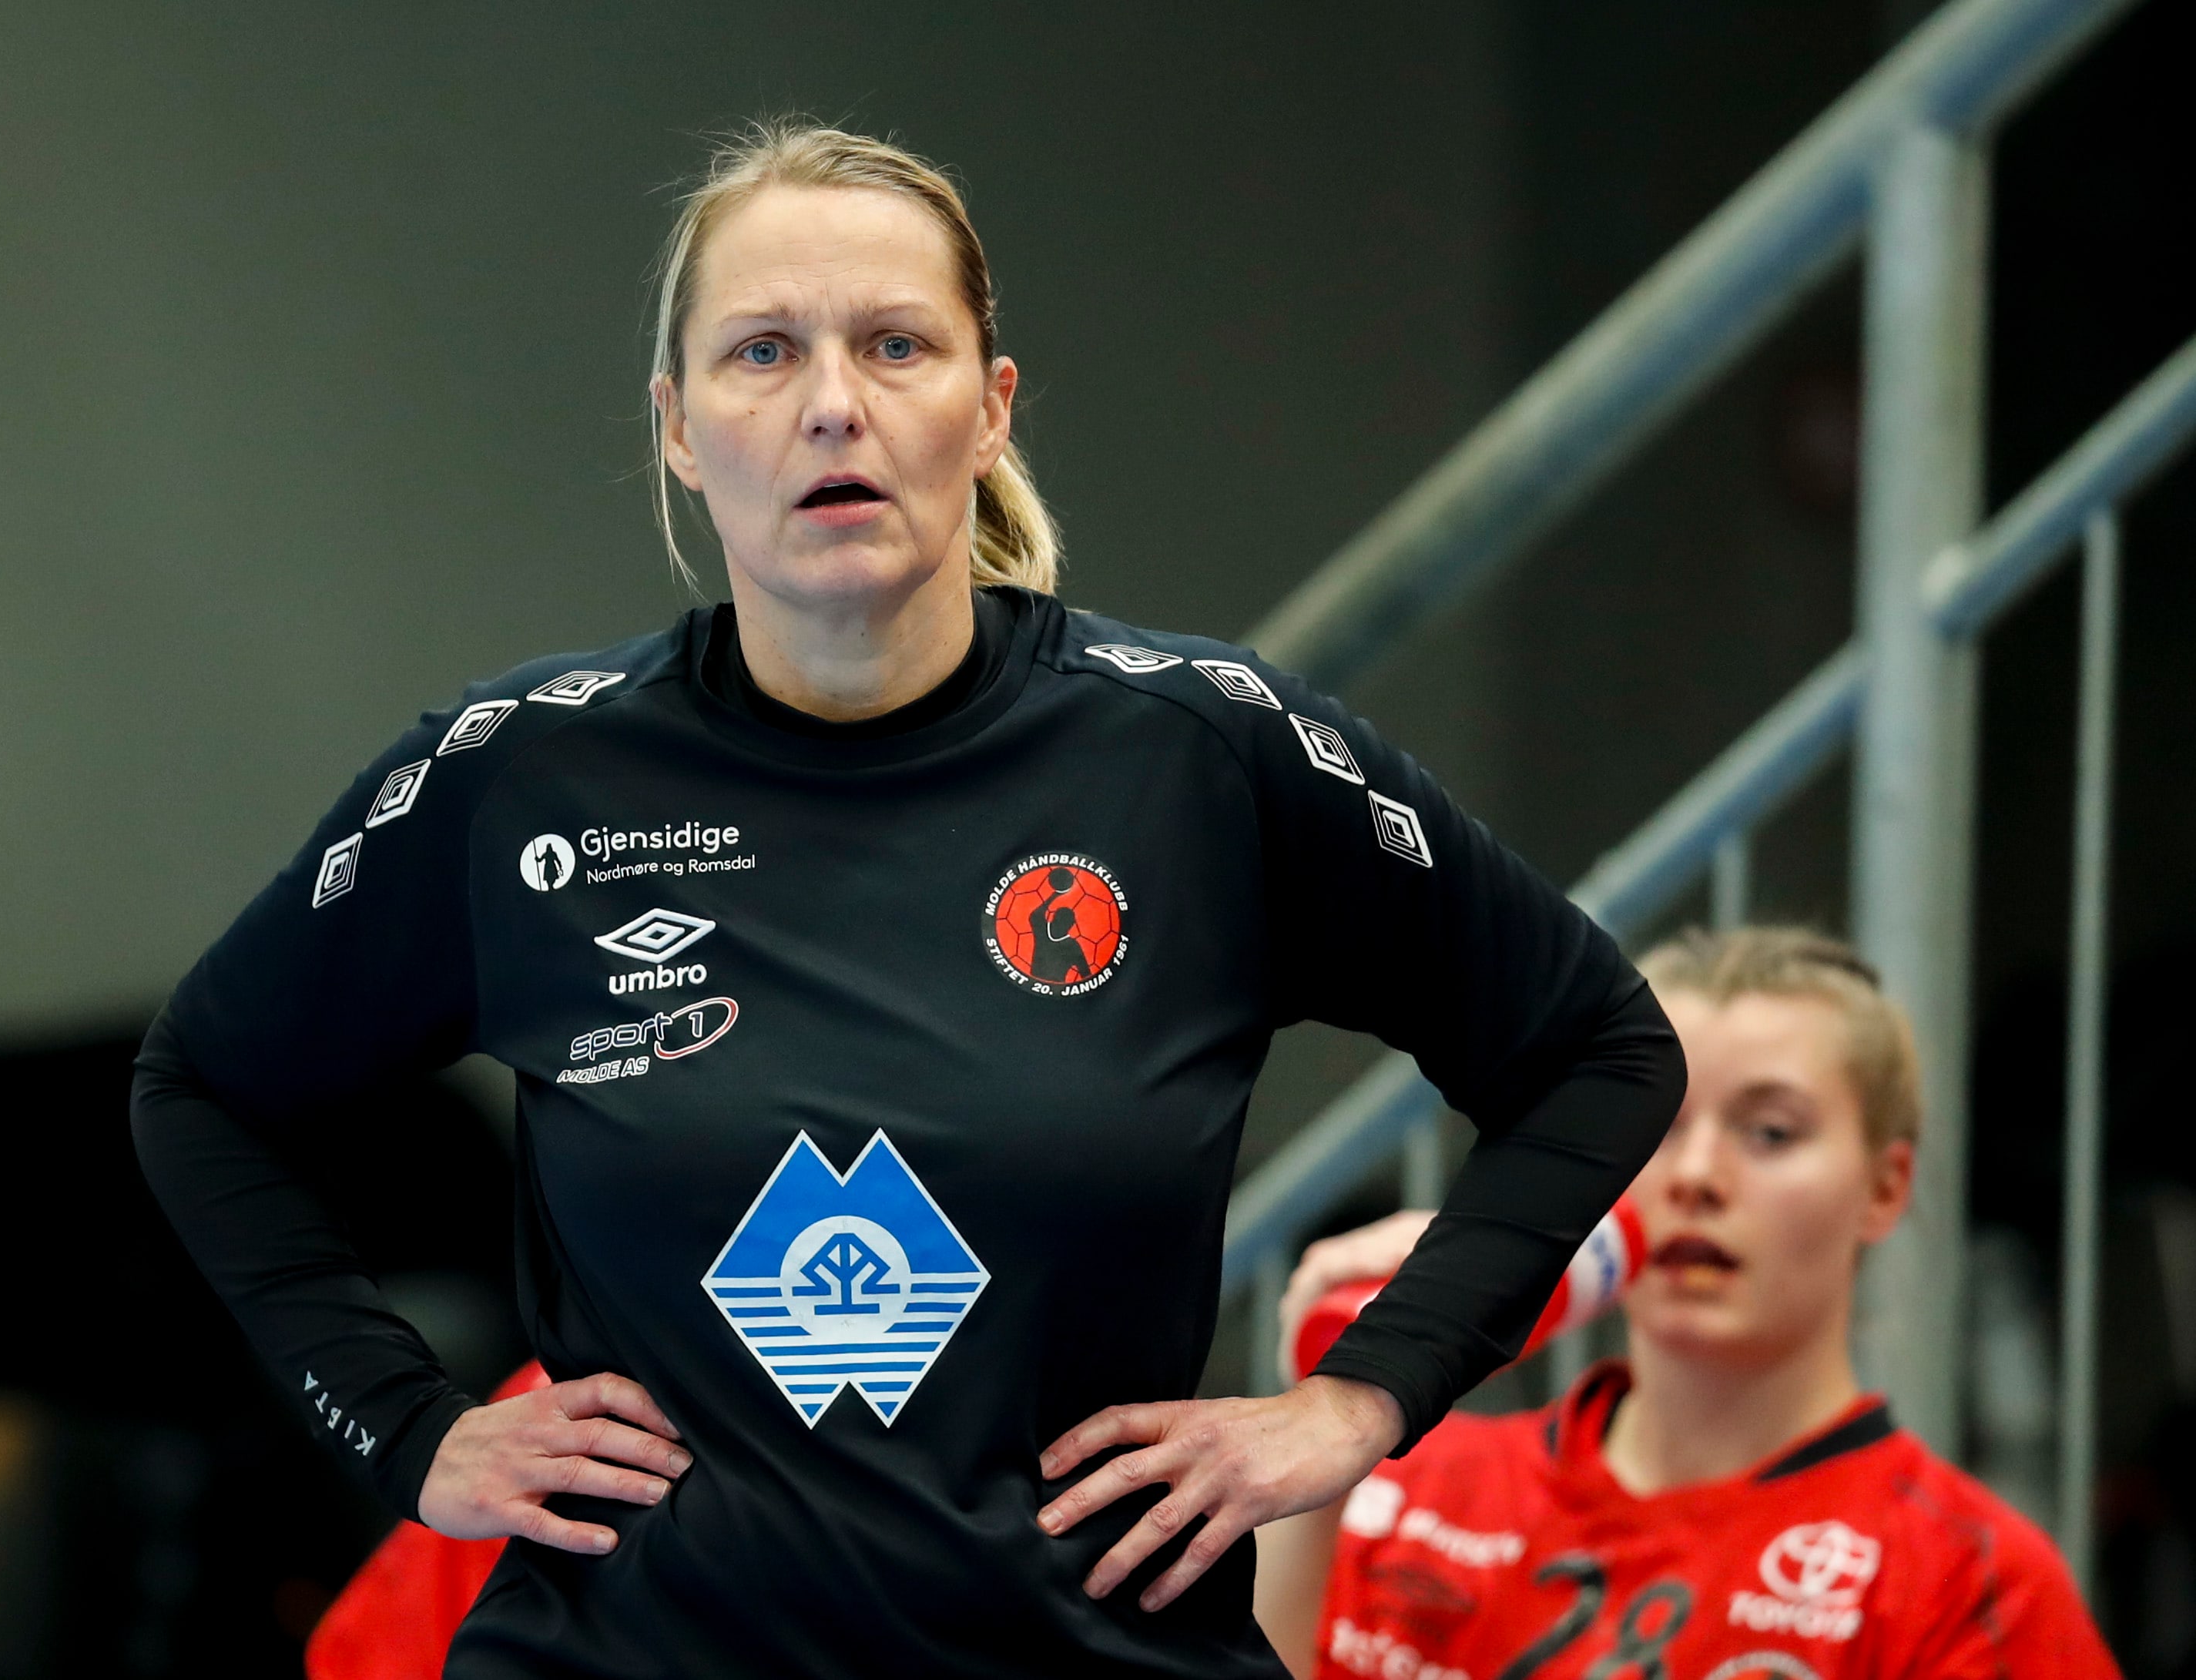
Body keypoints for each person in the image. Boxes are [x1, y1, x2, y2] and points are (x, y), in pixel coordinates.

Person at [129, 121, 1685, 1678]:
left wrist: (1362, 1398)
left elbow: (1597, 1049)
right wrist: (406, 1427)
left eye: (895, 345)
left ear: (990, 408)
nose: (832, 403)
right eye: (762, 351)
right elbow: (204, 1086)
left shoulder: (1206, 754)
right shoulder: (520, 777)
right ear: (678, 428)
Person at [1255, 926, 2119, 1679]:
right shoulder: (1409, 1487)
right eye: (1653, 1126)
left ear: (1885, 1188)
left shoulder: (1968, 1582)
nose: (1696, 1175)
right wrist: (1326, 1424)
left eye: (1770, 1131)